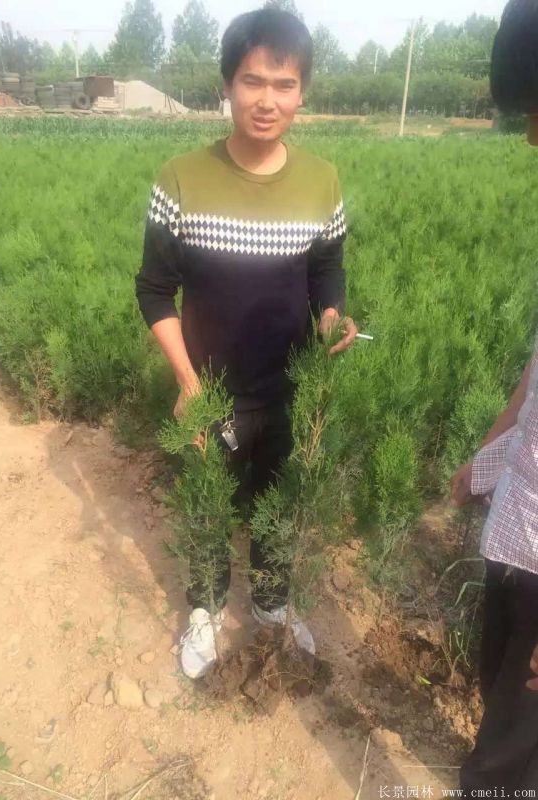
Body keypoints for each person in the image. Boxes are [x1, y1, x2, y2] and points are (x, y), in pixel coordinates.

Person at [136, 7, 357, 679]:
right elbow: (155, 291)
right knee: (208, 508)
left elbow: (326, 269)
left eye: (284, 84)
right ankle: (205, 610)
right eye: (252, 81)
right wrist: (189, 385)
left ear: (303, 92)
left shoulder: (321, 180)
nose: (267, 100)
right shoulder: (181, 177)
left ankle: (270, 604)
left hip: (288, 389)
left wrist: (330, 318)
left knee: (277, 505)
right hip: (211, 392)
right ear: (227, 85)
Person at [450, 1, 538, 790]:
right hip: (522, 523)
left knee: (518, 736)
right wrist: (487, 456)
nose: (532, 138)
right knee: (497, 674)